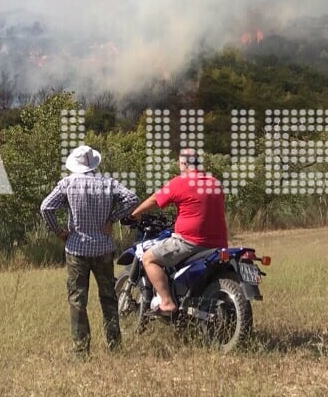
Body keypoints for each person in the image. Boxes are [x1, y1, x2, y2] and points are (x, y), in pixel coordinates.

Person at [39, 145, 139, 356]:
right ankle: (115, 346)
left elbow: (46, 207)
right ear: (93, 163)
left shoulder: (67, 183)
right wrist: (113, 219)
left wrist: (59, 231)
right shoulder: (107, 183)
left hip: (76, 248)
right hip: (103, 247)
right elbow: (132, 199)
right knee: (109, 297)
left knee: (77, 300)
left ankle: (81, 351)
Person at [130, 148, 228, 315]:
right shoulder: (214, 182)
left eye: (179, 163)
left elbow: (156, 199)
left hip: (190, 241)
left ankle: (167, 303)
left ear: (184, 163)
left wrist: (136, 213)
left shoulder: (180, 182)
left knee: (149, 259)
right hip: (218, 243)